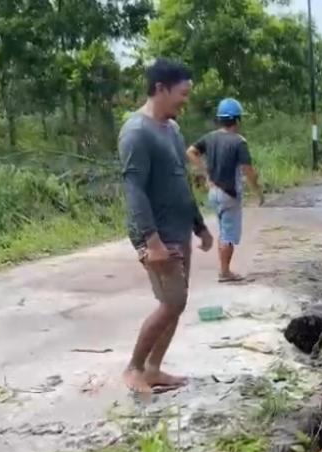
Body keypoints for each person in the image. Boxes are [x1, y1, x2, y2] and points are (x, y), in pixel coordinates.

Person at [118, 58, 214, 394]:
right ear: (160, 89)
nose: (185, 101)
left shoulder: (172, 130)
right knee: (171, 301)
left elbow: (180, 182)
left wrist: (199, 225)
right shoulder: (135, 132)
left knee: (179, 301)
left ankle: (153, 368)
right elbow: (134, 191)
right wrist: (151, 242)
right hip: (156, 236)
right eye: (182, 94)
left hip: (178, 230)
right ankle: (133, 369)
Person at [186, 98, 264, 283]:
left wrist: (205, 172)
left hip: (213, 192)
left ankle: (224, 269)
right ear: (237, 120)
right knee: (228, 235)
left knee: (223, 230)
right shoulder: (239, 142)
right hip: (230, 194)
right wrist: (258, 192)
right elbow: (248, 171)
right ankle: (225, 272)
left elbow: (190, 151)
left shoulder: (210, 137)